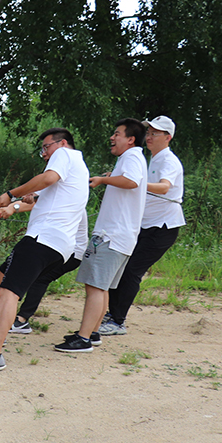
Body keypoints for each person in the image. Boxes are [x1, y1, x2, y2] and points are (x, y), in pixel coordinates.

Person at [0, 128, 89, 370]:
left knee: (8, 291)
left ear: (61, 144)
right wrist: (12, 206)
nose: (45, 154)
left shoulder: (65, 156)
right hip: (59, 247)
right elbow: (38, 197)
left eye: (46, 148)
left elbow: (47, 179)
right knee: (9, 283)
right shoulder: (78, 169)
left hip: (43, 238)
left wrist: (10, 194)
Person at [55, 118, 147, 354]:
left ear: (131, 139)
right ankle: (93, 333)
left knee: (95, 286)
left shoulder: (132, 156)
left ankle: (83, 339)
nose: (112, 137)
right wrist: (110, 176)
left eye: (117, 133)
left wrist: (103, 180)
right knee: (102, 286)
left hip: (111, 236)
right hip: (121, 237)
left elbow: (132, 182)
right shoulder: (130, 159)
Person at [98, 116, 184, 336]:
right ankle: (111, 314)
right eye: (148, 132)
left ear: (168, 137)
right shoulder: (150, 159)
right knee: (121, 267)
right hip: (145, 225)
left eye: (155, 133)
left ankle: (117, 321)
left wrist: (135, 182)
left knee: (131, 271)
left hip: (162, 227)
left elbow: (164, 188)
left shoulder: (168, 160)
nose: (150, 137)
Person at [0, 207, 88, 340]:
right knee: (5, 268)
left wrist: (11, 207)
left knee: (40, 279)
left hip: (70, 251)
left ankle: (21, 320)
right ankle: (1, 313)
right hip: (48, 243)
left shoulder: (66, 198)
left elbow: (33, 202)